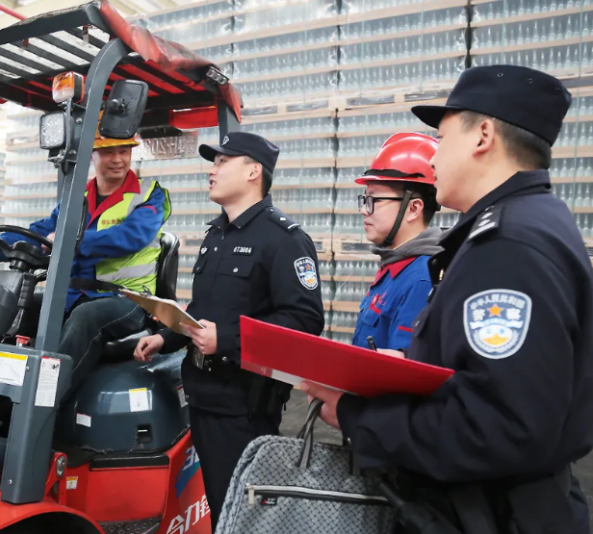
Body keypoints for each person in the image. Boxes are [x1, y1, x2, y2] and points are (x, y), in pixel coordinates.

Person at [302, 65, 593, 532]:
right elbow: (490, 384)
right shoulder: (524, 224)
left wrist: (359, 418)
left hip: (492, 516)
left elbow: (501, 429)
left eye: (441, 137)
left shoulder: (509, 244)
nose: (434, 157)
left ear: (483, 135)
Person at [132, 132, 325, 529]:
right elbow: (204, 311)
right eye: (213, 162)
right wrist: (166, 336)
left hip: (243, 407)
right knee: (222, 508)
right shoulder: (216, 235)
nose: (212, 170)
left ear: (254, 171)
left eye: (222, 162)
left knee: (244, 517)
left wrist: (228, 339)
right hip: (203, 398)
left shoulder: (285, 240)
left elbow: (304, 321)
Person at [0, 130, 171, 389]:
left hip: (127, 299)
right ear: (93, 155)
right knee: (11, 304)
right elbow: (42, 232)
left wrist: (69, 240)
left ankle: (45, 400)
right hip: (74, 295)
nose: (118, 159)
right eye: (108, 152)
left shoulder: (150, 194)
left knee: (85, 317)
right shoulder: (76, 197)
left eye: (124, 151)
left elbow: (131, 236)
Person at [352, 132, 442, 351]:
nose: (364, 210)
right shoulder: (395, 266)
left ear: (413, 208)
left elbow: (401, 368)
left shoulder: (420, 280)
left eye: (373, 200)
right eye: (365, 200)